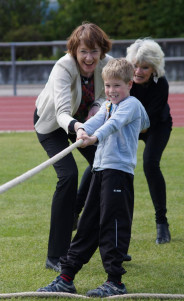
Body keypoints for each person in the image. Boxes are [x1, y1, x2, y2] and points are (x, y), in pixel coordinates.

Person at [37, 58, 150, 297]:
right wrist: (81, 129)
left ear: (130, 84)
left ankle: (115, 281)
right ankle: (66, 277)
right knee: (87, 225)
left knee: (113, 225)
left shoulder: (131, 105)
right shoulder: (109, 105)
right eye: (107, 86)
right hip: (100, 170)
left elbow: (113, 125)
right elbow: (97, 121)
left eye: (117, 85)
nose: (111, 91)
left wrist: (93, 138)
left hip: (118, 174)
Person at [33, 22, 112, 272]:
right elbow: (61, 113)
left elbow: (105, 94)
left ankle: (106, 240)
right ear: (74, 51)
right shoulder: (63, 67)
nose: (89, 58)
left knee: (106, 163)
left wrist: (97, 108)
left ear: (102, 51)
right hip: (53, 124)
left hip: (85, 122)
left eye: (94, 51)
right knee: (68, 175)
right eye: (83, 51)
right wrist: (79, 127)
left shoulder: (107, 64)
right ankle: (55, 256)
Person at [126, 38, 172, 244]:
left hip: (156, 124)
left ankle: (162, 223)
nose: (138, 71)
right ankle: (76, 211)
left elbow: (146, 121)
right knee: (104, 160)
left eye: (144, 67)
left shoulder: (161, 84)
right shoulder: (126, 80)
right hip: (132, 123)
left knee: (150, 163)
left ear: (154, 68)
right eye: (135, 65)